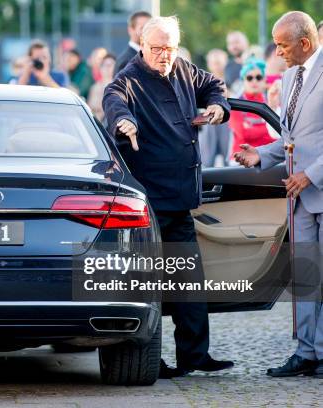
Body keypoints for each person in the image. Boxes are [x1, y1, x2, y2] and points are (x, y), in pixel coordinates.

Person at [103, 15, 234, 379]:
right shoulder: (127, 79)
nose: (164, 55)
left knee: (190, 283)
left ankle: (195, 356)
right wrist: (122, 122)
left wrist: (218, 106)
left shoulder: (183, 68)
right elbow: (114, 101)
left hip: (182, 197)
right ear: (142, 46)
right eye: (158, 48)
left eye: (170, 48)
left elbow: (214, 84)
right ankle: (149, 359)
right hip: (150, 205)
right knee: (151, 287)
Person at [235, 11, 323, 380]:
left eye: (282, 45)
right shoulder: (289, 78)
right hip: (299, 198)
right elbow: (290, 136)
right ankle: (307, 352)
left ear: (304, 43)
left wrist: (310, 175)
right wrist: (262, 155)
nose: (277, 52)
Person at [229, 58, 276, 162]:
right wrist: (269, 129)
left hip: (268, 158)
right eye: (249, 78)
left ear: (264, 80)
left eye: (258, 77)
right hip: (241, 160)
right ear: (243, 81)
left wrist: (253, 128)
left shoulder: (272, 101)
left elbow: (279, 135)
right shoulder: (235, 104)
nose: (254, 81)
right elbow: (243, 134)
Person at [199, 49, 231, 167]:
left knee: (228, 156)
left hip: (228, 122)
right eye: (214, 63)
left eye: (219, 62)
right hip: (208, 123)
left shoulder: (232, 79)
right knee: (206, 160)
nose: (217, 66)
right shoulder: (203, 81)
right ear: (209, 64)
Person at [87, 53, 116, 122]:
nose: (107, 68)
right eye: (104, 65)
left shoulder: (117, 87)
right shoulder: (94, 88)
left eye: (110, 65)